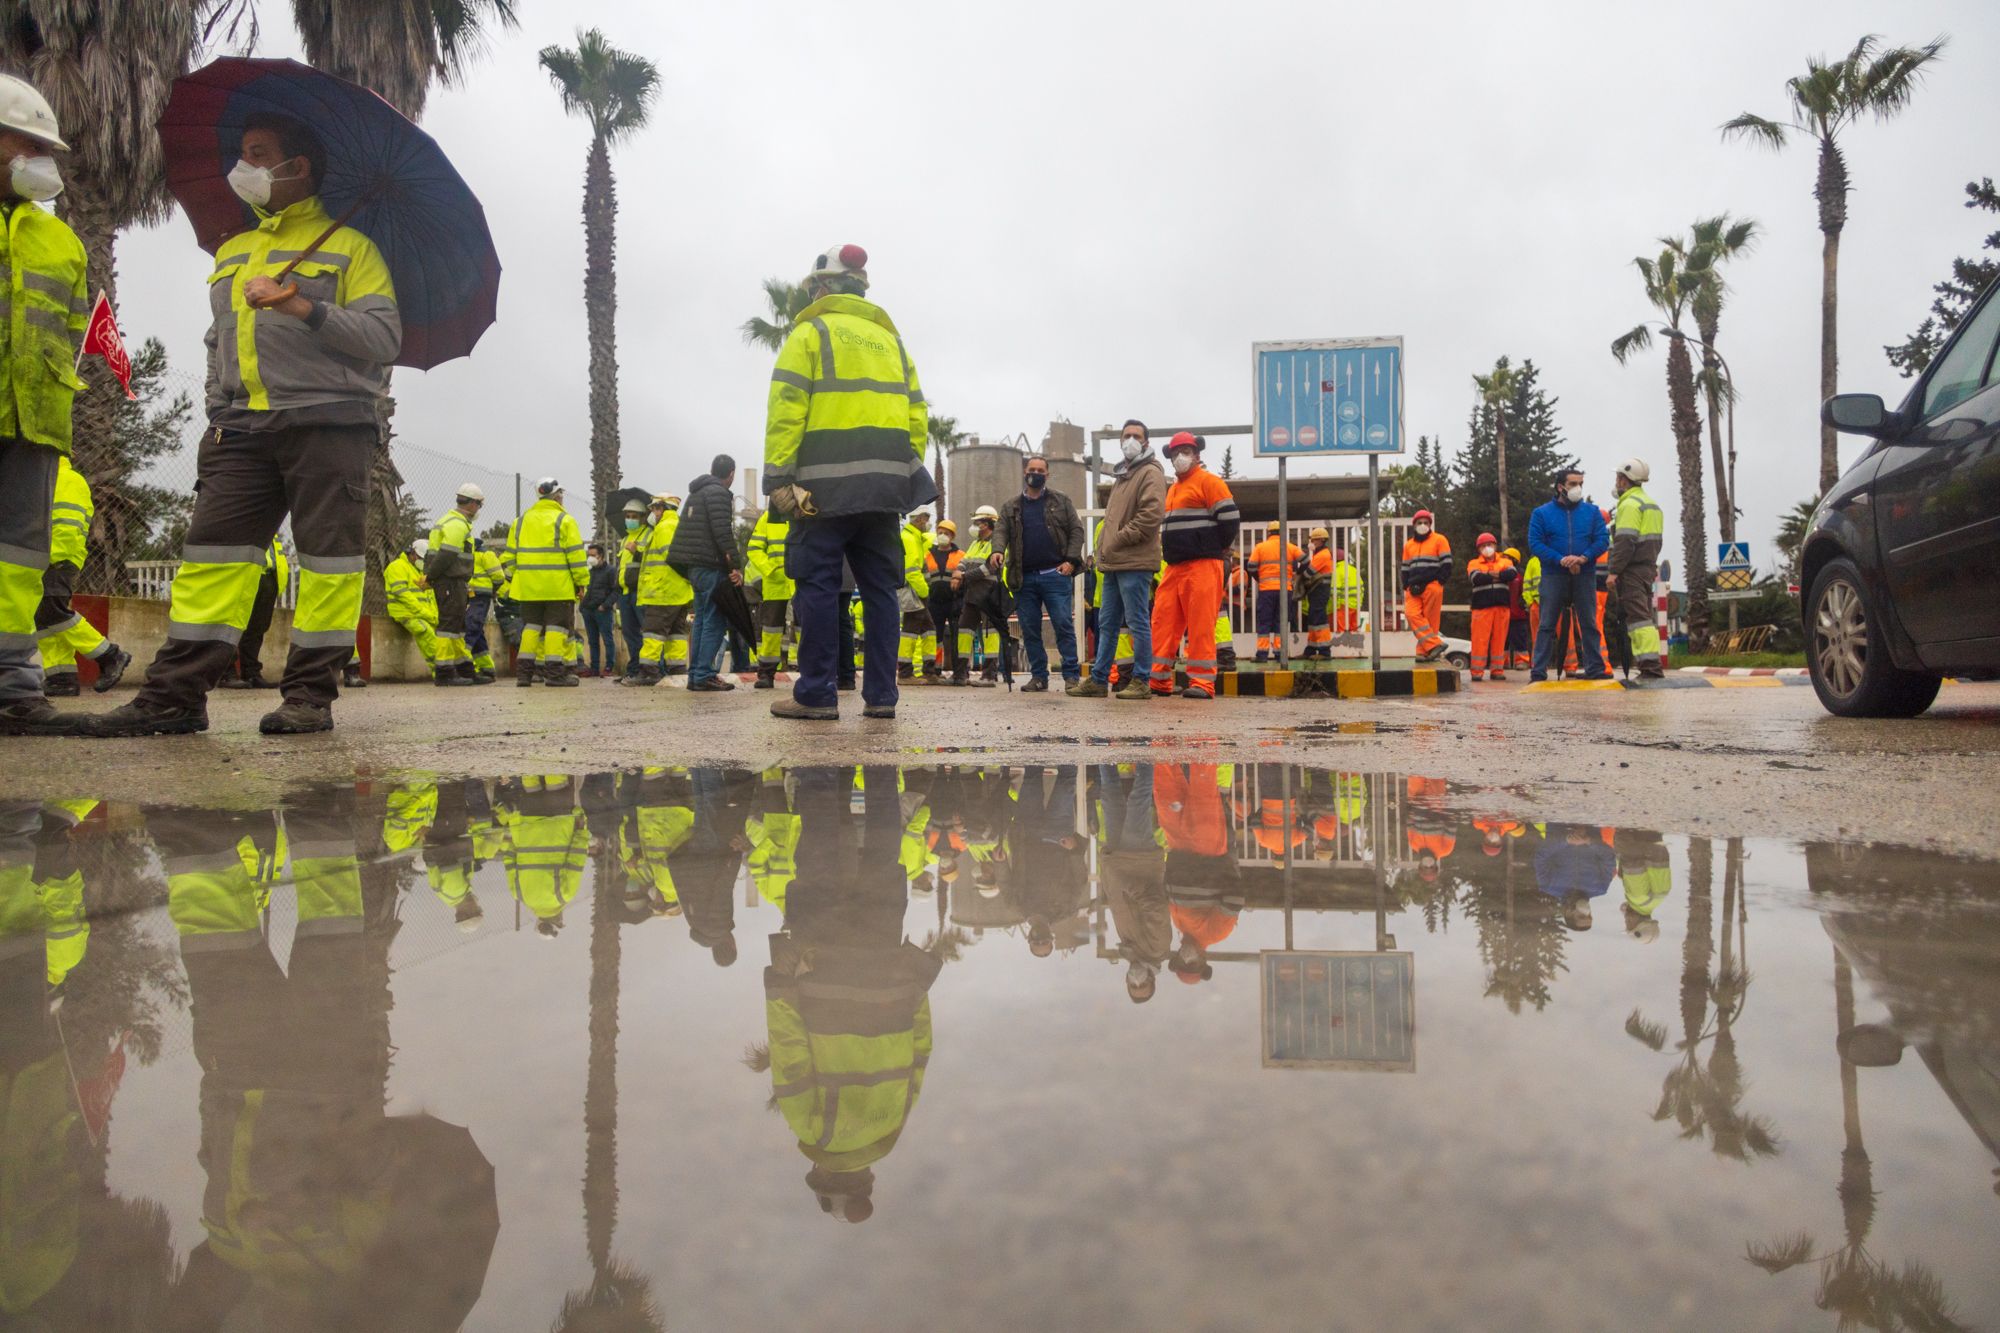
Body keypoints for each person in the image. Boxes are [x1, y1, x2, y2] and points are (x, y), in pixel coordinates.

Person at [88, 112, 401, 737]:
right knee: (211, 560)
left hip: (328, 423)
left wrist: (301, 304)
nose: (245, 167)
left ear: (298, 168)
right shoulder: (233, 251)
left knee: (328, 564)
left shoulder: (355, 249)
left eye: (259, 154)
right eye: (243, 154)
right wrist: (215, 405)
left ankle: (310, 697)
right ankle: (174, 697)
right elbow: (219, 340)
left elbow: (382, 337)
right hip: (240, 427)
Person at [763, 244, 934, 722]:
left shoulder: (810, 332)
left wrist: (778, 477)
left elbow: (787, 410)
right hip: (883, 491)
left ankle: (816, 694)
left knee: (817, 584)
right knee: (881, 589)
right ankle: (882, 697)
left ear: (822, 286)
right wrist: (904, 469)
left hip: (821, 490)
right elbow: (917, 412)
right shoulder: (892, 343)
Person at [0, 76, 88, 735]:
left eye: (42, 147)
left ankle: (14, 683)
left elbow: (75, 331)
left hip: (34, 420)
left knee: (20, 558)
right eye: (26, 144)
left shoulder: (63, 243)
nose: (39, 159)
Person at [1076, 418, 1165, 699]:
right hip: (1114, 562)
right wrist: (1106, 547)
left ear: (1146, 442)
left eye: (1136, 436)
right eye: (1126, 435)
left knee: (1138, 622)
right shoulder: (1124, 474)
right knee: (1107, 622)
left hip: (1135, 562)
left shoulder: (1150, 472)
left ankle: (1141, 680)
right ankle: (1099, 679)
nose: (1130, 440)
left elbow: (1150, 515)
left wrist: (1118, 540)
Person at [1150, 433, 1240, 699]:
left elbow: (1230, 521)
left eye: (1186, 450)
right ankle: (1160, 680)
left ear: (1197, 454)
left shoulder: (1210, 482)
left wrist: (1213, 548)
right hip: (1175, 566)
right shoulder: (1174, 488)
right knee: (1162, 621)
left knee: (1201, 625)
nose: (1180, 457)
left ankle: (1202, 684)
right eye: (1176, 452)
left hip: (1203, 564)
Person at [36, 457, 131, 697]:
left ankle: (110, 655)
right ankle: (61, 677)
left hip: (56, 558)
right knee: (42, 616)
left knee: (51, 610)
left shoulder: (65, 479)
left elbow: (67, 525)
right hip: (51, 557)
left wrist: (49, 558)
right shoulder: (47, 478)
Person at [995, 455, 1084, 692]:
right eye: (1031, 469)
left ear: (1047, 474)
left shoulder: (1061, 501)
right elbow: (1001, 531)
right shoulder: (1011, 506)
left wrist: (1071, 561)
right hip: (1024, 578)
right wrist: (996, 551)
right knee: (1030, 628)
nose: (1035, 473)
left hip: (1055, 575)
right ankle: (1039, 676)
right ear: (1025, 472)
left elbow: (1076, 531)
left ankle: (1071, 676)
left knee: (1063, 624)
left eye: (1040, 470)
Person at [666, 453, 744, 693]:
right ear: (731, 474)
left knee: (701, 620)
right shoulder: (718, 493)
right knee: (714, 620)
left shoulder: (697, 492)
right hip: (711, 566)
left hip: (694, 567)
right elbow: (722, 532)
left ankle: (696, 674)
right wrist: (735, 565)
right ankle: (704, 675)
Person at [1527, 468, 1610, 682]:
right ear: (1560, 487)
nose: (1578, 488)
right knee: (1546, 624)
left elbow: (1602, 540)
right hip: (1554, 575)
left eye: (1580, 483)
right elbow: (1535, 543)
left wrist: (1583, 558)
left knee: (1589, 623)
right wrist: (1560, 560)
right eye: (1573, 484)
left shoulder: (1592, 512)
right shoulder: (1541, 513)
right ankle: (1539, 671)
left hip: (1584, 574)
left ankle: (1595, 669)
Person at [504, 477, 586, 686]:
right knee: (555, 629)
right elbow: (576, 556)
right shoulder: (564, 520)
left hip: (528, 588)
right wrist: (581, 582)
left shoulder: (520, 521)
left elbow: (509, 558)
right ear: (557, 496)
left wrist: (517, 579)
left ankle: (524, 676)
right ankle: (555, 675)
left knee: (531, 628)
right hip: (558, 587)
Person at [624, 493, 692, 685]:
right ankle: (677, 670)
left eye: (654, 508)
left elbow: (671, 557)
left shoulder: (664, 527)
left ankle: (648, 672)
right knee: (676, 633)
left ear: (662, 509)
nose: (652, 512)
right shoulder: (676, 525)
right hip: (678, 591)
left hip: (663, 591)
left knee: (653, 632)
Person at [1608, 458, 1667, 679]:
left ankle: (1650, 667)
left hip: (1631, 570)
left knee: (1639, 619)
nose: (1616, 481)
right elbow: (1655, 542)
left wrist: (1614, 571)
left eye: (1617, 478)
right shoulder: (1651, 504)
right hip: (1647, 567)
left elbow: (1625, 541)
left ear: (1624, 480)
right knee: (1644, 617)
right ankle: (1650, 665)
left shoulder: (1629, 505)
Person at [424, 482, 486, 685]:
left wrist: (431, 576)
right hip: (450, 580)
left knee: (458, 626)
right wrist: (431, 577)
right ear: (473, 504)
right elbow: (447, 554)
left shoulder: (450, 521)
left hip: (451, 581)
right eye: (479, 505)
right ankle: (444, 673)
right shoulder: (457, 524)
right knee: (449, 626)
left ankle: (465, 669)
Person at [220, 535, 286, 689]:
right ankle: (227, 673)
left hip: (268, 577)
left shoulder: (270, 524)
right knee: (232, 626)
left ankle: (251, 673)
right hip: (244, 575)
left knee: (257, 629)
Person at [951, 506, 1005, 688]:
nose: (974, 526)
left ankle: (989, 676)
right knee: (964, 633)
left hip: (989, 593)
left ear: (988, 524)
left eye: (978, 522)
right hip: (972, 594)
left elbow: (989, 568)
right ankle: (960, 675)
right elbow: (964, 561)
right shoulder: (976, 543)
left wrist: (963, 576)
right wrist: (958, 570)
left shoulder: (997, 544)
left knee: (990, 635)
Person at [746, 505, 793, 688]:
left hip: (800, 581)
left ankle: (809, 671)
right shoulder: (768, 518)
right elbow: (754, 548)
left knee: (804, 628)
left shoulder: (806, 514)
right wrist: (769, 568)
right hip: (775, 583)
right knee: (771, 630)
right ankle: (766, 673)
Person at [1399, 509, 1451, 663]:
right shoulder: (1409, 545)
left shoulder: (1439, 539)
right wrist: (1406, 585)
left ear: (1430, 525)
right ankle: (1435, 645)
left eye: (1426, 523)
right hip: (1413, 587)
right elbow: (1405, 567)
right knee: (1411, 614)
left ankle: (1423, 653)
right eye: (1419, 523)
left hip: (1432, 585)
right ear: (1414, 525)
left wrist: (1440, 581)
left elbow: (1447, 564)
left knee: (1430, 620)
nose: (1423, 525)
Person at [1247, 521, 1304, 662]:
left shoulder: (1260, 547)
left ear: (1269, 533)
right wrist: (1297, 573)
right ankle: (1280, 654)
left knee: (1264, 622)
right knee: (1281, 621)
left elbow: (1251, 566)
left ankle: (1262, 655)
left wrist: (1259, 578)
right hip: (1285, 590)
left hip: (1266, 590)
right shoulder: (1290, 547)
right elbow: (1307, 560)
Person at [1465, 532, 1517, 681]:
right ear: (1479, 549)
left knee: (1500, 640)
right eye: (1483, 546)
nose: (1487, 548)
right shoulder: (1474, 563)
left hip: (1502, 607)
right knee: (1479, 640)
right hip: (1481, 607)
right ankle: (1477, 672)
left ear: (1495, 546)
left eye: (1489, 545)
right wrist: (1498, 574)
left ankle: (1497, 670)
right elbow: (1476, 578)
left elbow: (1512, 574)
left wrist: (1491, 574)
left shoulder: (1506, 561)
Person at [382, 539, 440, 670]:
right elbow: (402, 594)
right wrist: (425, 614)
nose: (423, 562)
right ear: (412, 553)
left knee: (443, 639)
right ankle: (441, 671)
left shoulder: (418, 571)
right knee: (425, 632)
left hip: (420, 613)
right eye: (421, 558)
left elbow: (429, 597)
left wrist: (434, 616)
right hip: (405, 612)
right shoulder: (397, 567)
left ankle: (446, 669)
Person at [897, 509, 939, 684]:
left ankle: (929, 671)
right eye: (926, 519)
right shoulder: (909, 538)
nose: (928, 523)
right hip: (913, 592)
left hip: (916, 591)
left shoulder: (915, 538)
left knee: (929, 630)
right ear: (919, 519)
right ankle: (905, 674)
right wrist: (924, 591)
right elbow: (912, 571)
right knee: (910, 631)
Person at [924, 519, 963, 683]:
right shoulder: (928, 554)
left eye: (946, 533)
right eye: (940, 532)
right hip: (934, 602)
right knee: (935, 637)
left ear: (952, 536)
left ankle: (958, 672)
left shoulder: (961, 555)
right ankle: (935, 670)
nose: (942, 536)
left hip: (954, 601)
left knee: (956, 637)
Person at [466, 535, 505, 682]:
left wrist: (491, 590)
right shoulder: (470, 555)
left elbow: (498, 577)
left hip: (481, 596)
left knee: (472, 626)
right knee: (476, 629)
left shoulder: (485, 554)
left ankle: (464, 659)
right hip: (471, 596)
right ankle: (486, 668)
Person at [578, 541, 619, 677]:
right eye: (588, 555)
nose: (590, 558)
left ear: (601, 556)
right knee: (592, 640)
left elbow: (615, 591)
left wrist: (605, 605)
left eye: (593, 555)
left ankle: (609, 667)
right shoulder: (589, 572)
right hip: (588, 610)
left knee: (607, 640)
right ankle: (594, 668)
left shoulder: (611, 571)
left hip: (602, 610)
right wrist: (583, 605)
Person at [616, 496, 647, 666]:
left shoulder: (648, 535)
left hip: (640, 592)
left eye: (634, 516)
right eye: (628, 516)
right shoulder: (625, 539)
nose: (630, 520)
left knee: (647, 633)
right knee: (629, 633)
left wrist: (636, 552)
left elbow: (651, 561)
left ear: (643, 517)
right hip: (625, 593)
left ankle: (649, 667)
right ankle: (634, 668)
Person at [1299, 527, 1335, 659]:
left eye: (1314, 540)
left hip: (1320, 591)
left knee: (1319, 620)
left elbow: (1309, 573)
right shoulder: (1319, 555)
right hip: (1316, 591)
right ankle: (1311, 650)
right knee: (1314, 620)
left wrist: (1300, 572)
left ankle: (1325, 652)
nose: (1311, 543)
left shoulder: (1323, 555)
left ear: (1321, 540)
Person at [1503, 546, 1533, 671]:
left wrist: (1524, 603)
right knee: (1502, 641)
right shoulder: (1502, 573)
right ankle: (1502, 662)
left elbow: (1526, 589)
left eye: (1507, 558)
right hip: (1503, 613)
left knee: (1520, 639)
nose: (1504, 560)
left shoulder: (1521, 574)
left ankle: (1522, 661)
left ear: (1514, 560)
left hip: (1518, 614)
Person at [1332, 544, 1362, 639]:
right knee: (1354, 630)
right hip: (1356, 604)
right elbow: (1361, 587)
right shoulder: (1353, 570)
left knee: (1341, 630)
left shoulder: (1337, 571)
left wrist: (1334, 604)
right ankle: (1355, 653)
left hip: (1343, 605)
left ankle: (1343, 652)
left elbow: (1334, 590)